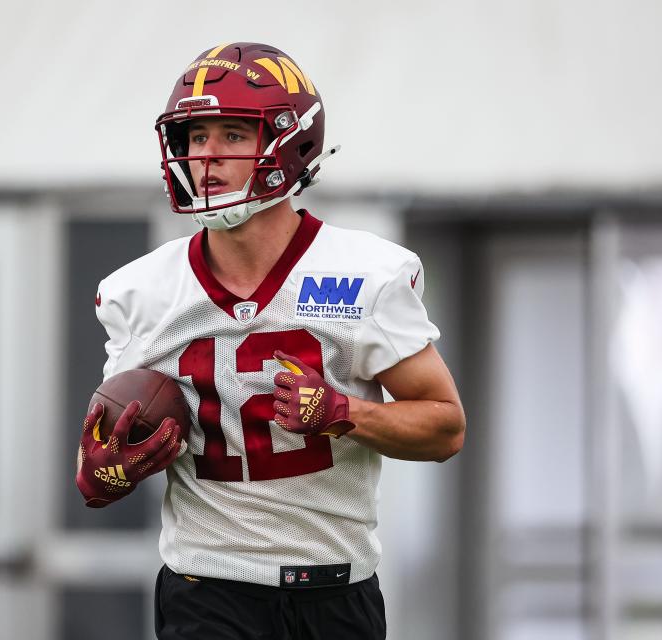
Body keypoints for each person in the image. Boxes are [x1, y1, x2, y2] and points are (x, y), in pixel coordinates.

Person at [75, 42, 466, 640]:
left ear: (291, 144)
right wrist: (102, 472)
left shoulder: (364, 276)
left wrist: (342, 412)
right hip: (205, 587)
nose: (206, 157)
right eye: (195, 136)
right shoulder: (145, 290)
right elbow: (105, 439)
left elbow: (445, 427)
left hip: (333, 587)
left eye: (233, 135)